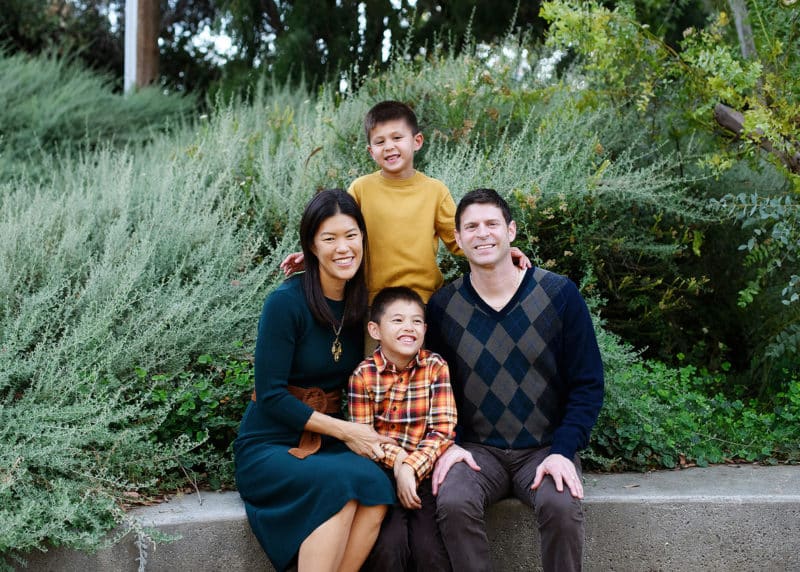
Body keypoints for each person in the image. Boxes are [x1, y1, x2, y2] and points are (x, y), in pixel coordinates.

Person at [425, 188, 605, 572]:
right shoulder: (442, 307)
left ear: (511, 231)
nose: (482, 233)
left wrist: (563, 450)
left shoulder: (559, 295)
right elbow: (434, 388)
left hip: (544, 448)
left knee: (561, 501)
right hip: (476, 451)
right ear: (457, 240)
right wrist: (449, 445)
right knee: (452, 499)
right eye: (471, 227)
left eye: (492, 223)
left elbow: (587, 383)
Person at [234, 189, 396, 572]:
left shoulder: (360, 305)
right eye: (330, 238)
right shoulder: (285, 303)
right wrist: (348, 432)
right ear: (311, 245)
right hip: (269, 443)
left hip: (325, 444)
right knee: (338, 488)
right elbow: (271, 396)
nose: (343, 248)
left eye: (351, 235)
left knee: (374, 487)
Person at [280, 100, 530, 305]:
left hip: (426, 302)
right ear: (371, 151)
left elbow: (460, 241)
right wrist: (311, 255)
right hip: (374, 304)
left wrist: (502, 253)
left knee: (428, 366)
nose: (389, 147)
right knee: (378, 366)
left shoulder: (434, 191)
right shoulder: (361, 189)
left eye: (397, 138)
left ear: (417, 141)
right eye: (380, 142)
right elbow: (341, 232)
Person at [347, 286, 457, 572]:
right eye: (397, 320)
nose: (409, 327)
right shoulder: (363, 375)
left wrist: (411, 467)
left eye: (416, 321)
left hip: (426, 469)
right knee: (388, 548)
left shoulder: (435, 366)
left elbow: (443, 429)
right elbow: (364, 438)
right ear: (375, 329)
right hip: (381, 473)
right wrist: (397, 465)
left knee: (430, 552)